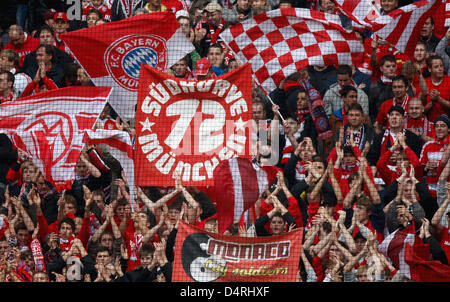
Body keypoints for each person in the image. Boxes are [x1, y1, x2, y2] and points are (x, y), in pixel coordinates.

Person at [421, 55, 450, 123]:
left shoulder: (449, 81)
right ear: (429, 69)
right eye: (436, 67)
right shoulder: (424, 84)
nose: (440, 69)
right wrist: (432, 103)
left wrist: (439, 99)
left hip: (447, 124)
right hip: (428, 123)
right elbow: (421, 110)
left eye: (441, 66)